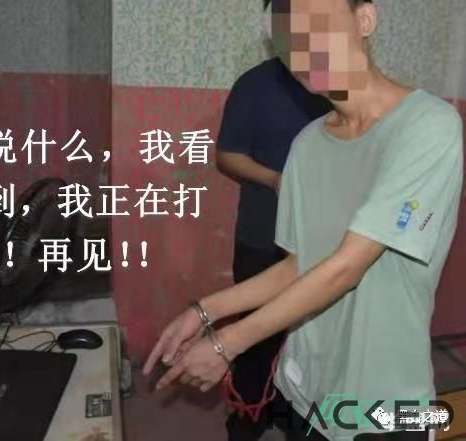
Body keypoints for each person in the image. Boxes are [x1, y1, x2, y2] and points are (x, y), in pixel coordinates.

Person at [144, 0, 464, 440]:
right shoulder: (307, 146)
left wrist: (228, 342)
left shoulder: (428, 126)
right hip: (303, 394)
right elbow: (300, 265)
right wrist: (205, 311)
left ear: (364, 19)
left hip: (385, 407)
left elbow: (347, 267)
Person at [216, 2, 332, 439]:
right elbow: (226, 155)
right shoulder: (254, 85)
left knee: (312, 347)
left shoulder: (340, 90)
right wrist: (274, 179)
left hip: (327, 246)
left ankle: (295, 415)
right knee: (255, 345)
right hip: (262, 237)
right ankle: (248, 419)